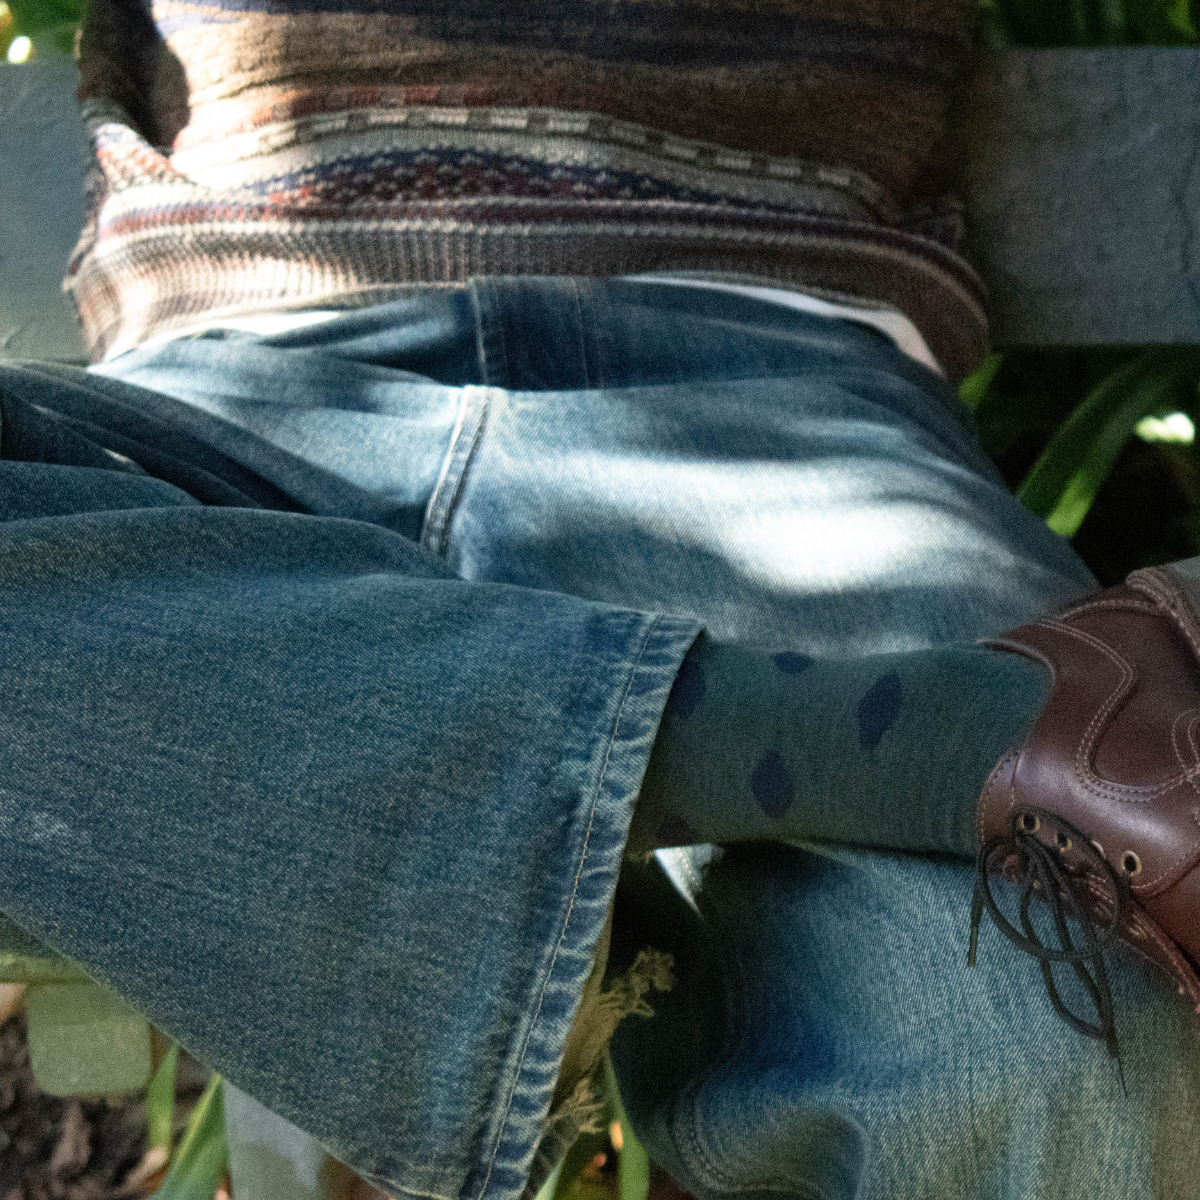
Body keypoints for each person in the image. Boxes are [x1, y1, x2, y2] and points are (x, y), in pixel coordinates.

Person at [2, 0, 1199, 1196]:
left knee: (1071, 1044)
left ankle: (908, 743)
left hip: (774, 371)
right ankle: (943, 736)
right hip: (221, 396)